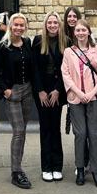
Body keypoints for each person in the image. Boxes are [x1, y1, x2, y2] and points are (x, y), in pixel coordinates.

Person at [61, 19, 97, 188]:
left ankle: (96, 170)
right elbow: (65, 74)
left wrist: (92, 93)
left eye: (84, 30)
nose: (81, 33)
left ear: (88, 32)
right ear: (74, 33)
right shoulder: (69, 52)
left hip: (94, 98)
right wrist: (79, 93)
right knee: (80, 134)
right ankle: (80, 168)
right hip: (76, 99)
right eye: (78, 30)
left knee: (94, 134)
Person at [0, 12, 34, 189]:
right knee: (18, 130)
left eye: (22, 25)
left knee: (23, 130)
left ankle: (18, 167)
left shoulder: (27, 43)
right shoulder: (3, 47)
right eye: (16, 24)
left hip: (27, 90)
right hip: (13, 92)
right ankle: (16, 171)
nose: (19, 27)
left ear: (25, 27)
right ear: (10, 26)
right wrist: (5, 90)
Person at [32, 11, 67, 182]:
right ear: (46, 24)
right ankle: (46, 167)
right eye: (49, 23)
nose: (52, 25)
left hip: (57, 92)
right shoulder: (38, 41)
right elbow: (34, 69)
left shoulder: (65, 42)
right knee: (45, 128)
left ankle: (57, 166)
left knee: (55, 128)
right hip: (42, 93)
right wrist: (40, 91)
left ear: (59, 25)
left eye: (55, 23)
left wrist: (58, 90)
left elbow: (66, 70)